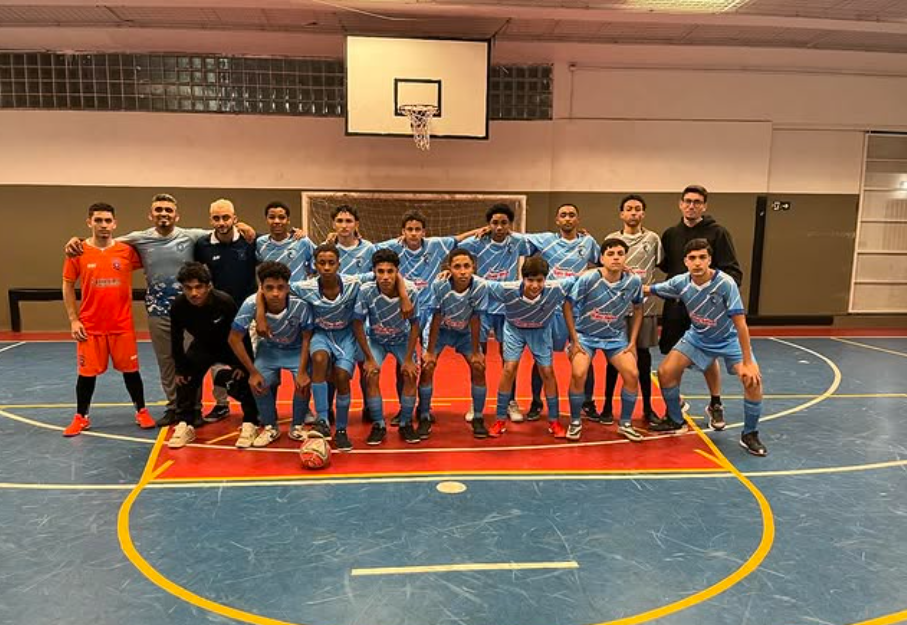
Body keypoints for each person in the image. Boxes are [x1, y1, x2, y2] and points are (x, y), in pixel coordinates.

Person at [285, 243, 411, 452]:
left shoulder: (353, 283)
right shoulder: (305, 286)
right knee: (318, 360)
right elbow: (274, 285)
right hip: (322, 335)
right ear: (314, 265)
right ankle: (323, 420)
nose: (326, 267)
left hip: (346, 337)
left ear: (339, 264)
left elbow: (389, 275)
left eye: (331, 263)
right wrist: (261, 312)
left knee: (342, 377)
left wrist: (404, 296)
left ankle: (341, 430)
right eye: (322, 263)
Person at [646, 239, 767, 457]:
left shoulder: (726, 283)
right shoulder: (680, 282)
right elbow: (650, 289)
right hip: (698, 337)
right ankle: (675, 419)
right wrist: (621, 279)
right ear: (685, 261)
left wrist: (748, 362)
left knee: (752, 380)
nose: (697, 262)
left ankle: (750, 434)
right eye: (692, 258)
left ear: (709, 260)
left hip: (729, 340)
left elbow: (740, 323)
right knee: (665, 372)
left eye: (702, 257)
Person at [373, 210, 484, 424]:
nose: (413, 234)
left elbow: (458, 239)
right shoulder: (393, 247)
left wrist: (481, 231)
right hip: (406, 309)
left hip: (432, 308)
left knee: (424, 362)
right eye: (409, 230)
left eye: (417, 230)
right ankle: (403, 408)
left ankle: (425, 408)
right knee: (404, 362)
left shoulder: (435, 244)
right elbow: (367, 248)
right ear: (402, 232)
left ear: (424, 232)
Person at [61, 202, 154, 436]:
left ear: (115, 223)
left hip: (122, 325)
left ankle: (141, 410)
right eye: (98, 220)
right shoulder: (78, 251)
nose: (103, 225)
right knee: (86, 375)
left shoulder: (126, 251)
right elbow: (68, 284)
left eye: (107, 221)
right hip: (90, 326)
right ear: (89, 222)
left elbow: (154, 253)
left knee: (131, 371)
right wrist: (74, 320)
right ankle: (81, 417)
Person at [659, 185, 743, 430]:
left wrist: (719, 300)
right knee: (676, 356)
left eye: (697, 202)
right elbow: (667, 267)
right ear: (680, 204)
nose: (691, 206)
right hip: (677, 305)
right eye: (687, 201)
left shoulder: (718, 233)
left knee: (708, 357)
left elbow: (733, 271)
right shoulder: (670, 234)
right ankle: (676, 405)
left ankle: (715, 403)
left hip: (709, 309)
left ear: (704, 206)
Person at [166, 262, 259, 449]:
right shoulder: (178, 306)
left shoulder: (224, 301)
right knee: (185, 378)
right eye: (188, 288)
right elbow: (175, 339)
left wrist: (243, 365)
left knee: (246, 376)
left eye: (198, 287)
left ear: (209, 286)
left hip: (229, 345)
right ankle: (185, 423)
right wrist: (180, 368)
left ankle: (250, 422)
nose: (194, 293)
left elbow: (242, 335)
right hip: (202, 346)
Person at [481, 256, 573, 439]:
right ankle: (500, 419)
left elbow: (582, 276)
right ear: (523, 279)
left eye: (539, 280)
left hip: (540, 330)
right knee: (509, 369)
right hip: (515, 329)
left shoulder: (556, 289)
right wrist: (448, 273)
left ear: (545, 279)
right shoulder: (507, 290)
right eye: (530, 280)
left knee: (547, 371)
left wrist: (608, 269)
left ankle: (554, 420)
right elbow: (480, 282)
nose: (535, 285)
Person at [523, 204, 600, 420]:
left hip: (579, 310)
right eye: (563, 215)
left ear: (578, 219)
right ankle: (536, 402)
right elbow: (515, 240)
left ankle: (588, 401)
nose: (567, 218)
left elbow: (606, 262)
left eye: (572, 215)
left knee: (584, 357)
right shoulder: (546, 240)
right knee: (541, 358)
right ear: (557, 220)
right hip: (550, 309)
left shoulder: (588, 242)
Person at [564, 238, 645, 442]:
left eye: (620, 253)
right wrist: (574, 339)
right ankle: (575, 421)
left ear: (625, 257)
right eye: (611, 254)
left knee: (632, 373)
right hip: (585, 336)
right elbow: (567, 305)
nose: (616, 257)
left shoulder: (633, 281)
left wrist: (633, 342)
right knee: (579, 373)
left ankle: (625, 423)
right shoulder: (588, 279)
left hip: (615, 337)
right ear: (602, 258)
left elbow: (638, 309)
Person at [227, 261, 313, 447]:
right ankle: (270, 427)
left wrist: (303, 370)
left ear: (288, 288)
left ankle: (297, 425)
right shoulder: (250, 304)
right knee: (260, 383)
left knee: (304, 382)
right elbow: (234, 339)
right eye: (269, 288)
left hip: (296, 349)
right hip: (269, 350)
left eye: (280, 288)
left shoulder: (300, 304)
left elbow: (307, 338)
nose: (275, 293)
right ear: (261, 288)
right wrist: (252, 372)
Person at [460, 203, 533, 422]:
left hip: (508, 306)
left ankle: (510, 401)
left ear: (510, 225)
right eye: (494, 223)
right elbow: (457, 248)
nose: (499, 227)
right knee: (478, 356)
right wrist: (476, 232)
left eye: (503, 223)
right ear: (488, 224)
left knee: (508, 358)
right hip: (482, 306)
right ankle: (477, 402)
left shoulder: (517, 242)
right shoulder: (479, 242)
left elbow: (543, 242)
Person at [194, 198, 259, 423]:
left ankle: (253, 405)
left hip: (247, 312)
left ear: (235, 218)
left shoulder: (250, 241)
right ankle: (221, 404)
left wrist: (297, 233)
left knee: (249, 361)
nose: (221, 222)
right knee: (216, 361)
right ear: (210, 220)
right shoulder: (202, 245)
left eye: (225, 217)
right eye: (216, 218)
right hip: (216, 313)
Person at [601, 195, 664, 426]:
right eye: (629, 209)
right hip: (616, 309)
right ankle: (607, 407)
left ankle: (648, 408)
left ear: (643, 213)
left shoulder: (653, 239)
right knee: (613, 359)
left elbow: (659, 265)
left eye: (638, 209)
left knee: (644, 360)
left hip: (644, 309)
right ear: (621, 214)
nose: (633, 213)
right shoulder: (612, 239)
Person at [352, 249, 421, 444]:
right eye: (380, 271)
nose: (385, 277)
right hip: (376, 340)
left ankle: (406, 423)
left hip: (402, 339)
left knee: (410, 374)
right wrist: (369, 358)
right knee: (371, 374)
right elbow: (357, 324)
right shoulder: (366, 291)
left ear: (397, 271)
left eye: (390, 271)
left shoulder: (411, 291)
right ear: (373, 271)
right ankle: (378, 425)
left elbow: (416, 325)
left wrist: (408, 359)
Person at [256, 200, 316, 422]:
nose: (277, 221)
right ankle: (267, 413)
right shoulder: (260, 243)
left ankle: (305, 409)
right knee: (269, 358)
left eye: (281, 217)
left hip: (298, 310)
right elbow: (259, 278)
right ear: (267, 220)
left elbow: (318, 265)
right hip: (270, 310)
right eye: (272, 217)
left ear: (288, 220)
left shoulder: (303, 242)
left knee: (302, 361)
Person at [419, 248, 489, 439]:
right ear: (449, 268)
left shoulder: (480, 286)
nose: (463, 271)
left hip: (465, 332)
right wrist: (430, 351)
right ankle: (424, 414)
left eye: (467, 266)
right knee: (427, 366)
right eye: (457, 267)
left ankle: (478, 417)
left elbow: (476, 319)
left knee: (478, 366)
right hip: (440, 331)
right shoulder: (440, 285)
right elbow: (435, 317)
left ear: (473, 267)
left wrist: (476, 351)